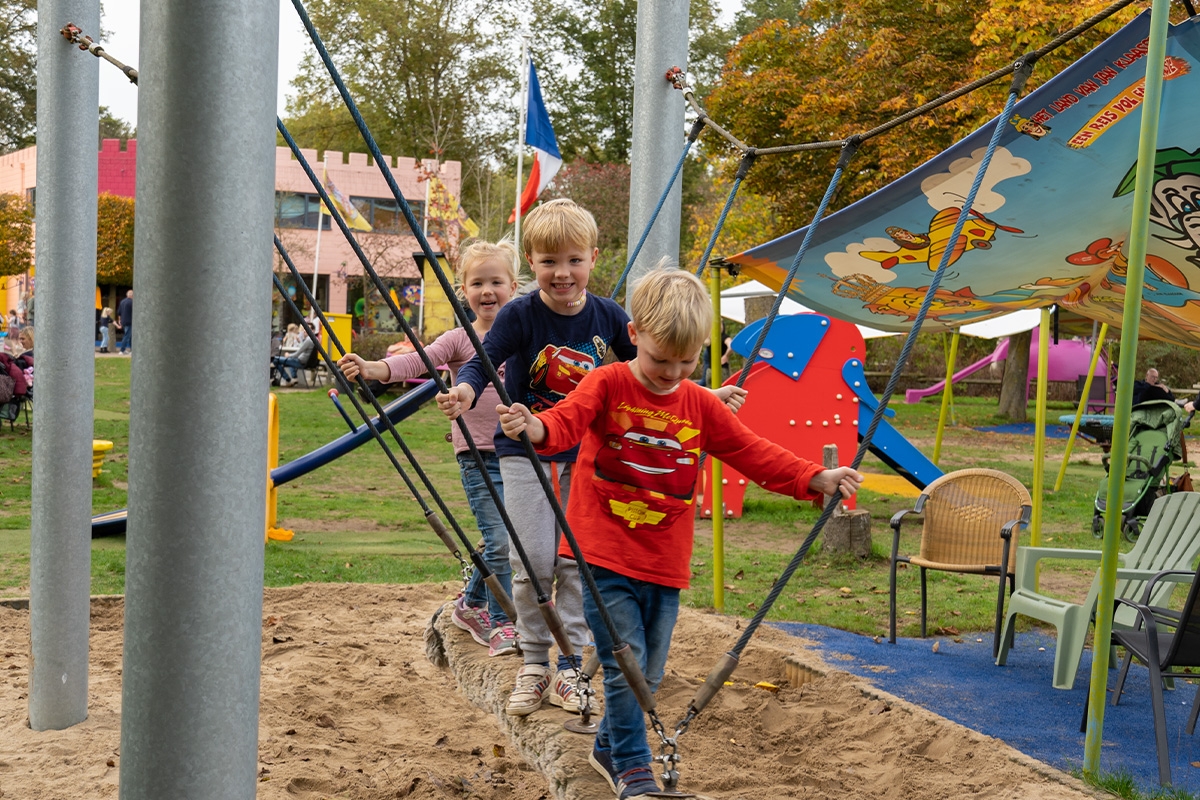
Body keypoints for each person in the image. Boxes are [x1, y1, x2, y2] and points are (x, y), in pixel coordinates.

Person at [496, 268, 863, 798]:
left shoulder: (700, 404)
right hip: (601, 552)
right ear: (635, 333)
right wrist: (536, 427)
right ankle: (632, 767)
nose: (672, 372)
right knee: (627, 666)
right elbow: (567, 422)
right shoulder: (608, 382)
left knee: (651, 672)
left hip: (664, 560)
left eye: (686, 361)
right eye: (661, 359)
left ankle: (606, 745)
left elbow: (751, 451)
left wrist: (813, 476)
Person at [440, 201, 745, 718]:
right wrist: (468, 393)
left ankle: (568, 667)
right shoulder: (519, 314)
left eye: (574, 260)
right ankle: (534, 661)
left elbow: (653, 370)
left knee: (575, 562)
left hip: (586, 455)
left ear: (593, 259)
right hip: (525, 451)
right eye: (549, 261)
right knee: (533, 558)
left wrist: (705, 394)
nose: (562, 273)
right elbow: (484, 359)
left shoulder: (608, 317)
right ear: (530, 265)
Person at [339, 240, 521, 657]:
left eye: (496, 281)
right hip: (478, 455)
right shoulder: (460, 339)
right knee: (500, 538)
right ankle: (500, 622)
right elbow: (418, 361)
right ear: (464, 291)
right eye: (478, 283)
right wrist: (374, 369)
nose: (487, 290)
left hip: (520, 454)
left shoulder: (523, 336)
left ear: (513, 286)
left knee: (505, 538)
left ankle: (471, 604)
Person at [116, 290, 134, 355]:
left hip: (123, 321)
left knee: (130, 335)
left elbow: (119, 312)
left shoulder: (122, 302)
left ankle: (132, 349)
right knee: (127, 335)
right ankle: (122, 350)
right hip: (130, 321)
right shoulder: (132, 302)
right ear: (132, 295)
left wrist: (119, 320)